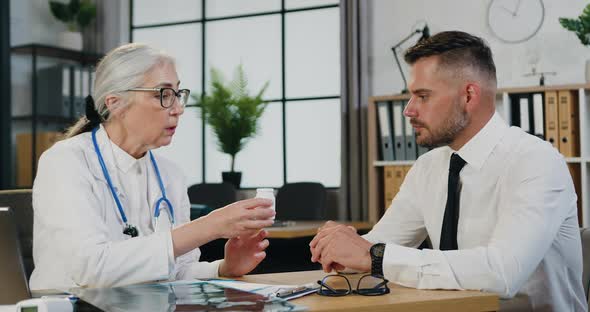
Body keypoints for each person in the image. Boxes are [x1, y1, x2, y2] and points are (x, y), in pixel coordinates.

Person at [310, 31, 586, 311]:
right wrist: (340, 247)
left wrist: (373, 255)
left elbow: (503, 273)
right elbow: (376, 248)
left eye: (423, 96)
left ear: (468, 95)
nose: (408, 110)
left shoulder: (536, 161)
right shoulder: (428, 167)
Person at [30, 43, 275, 290]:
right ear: (115, 103)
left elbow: (178, 272)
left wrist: (224, 268)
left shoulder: (171, 175)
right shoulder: (65, 162)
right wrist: (207, 227)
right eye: (163, 94)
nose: (178, 109)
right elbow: (91, 270)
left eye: (178, 94)